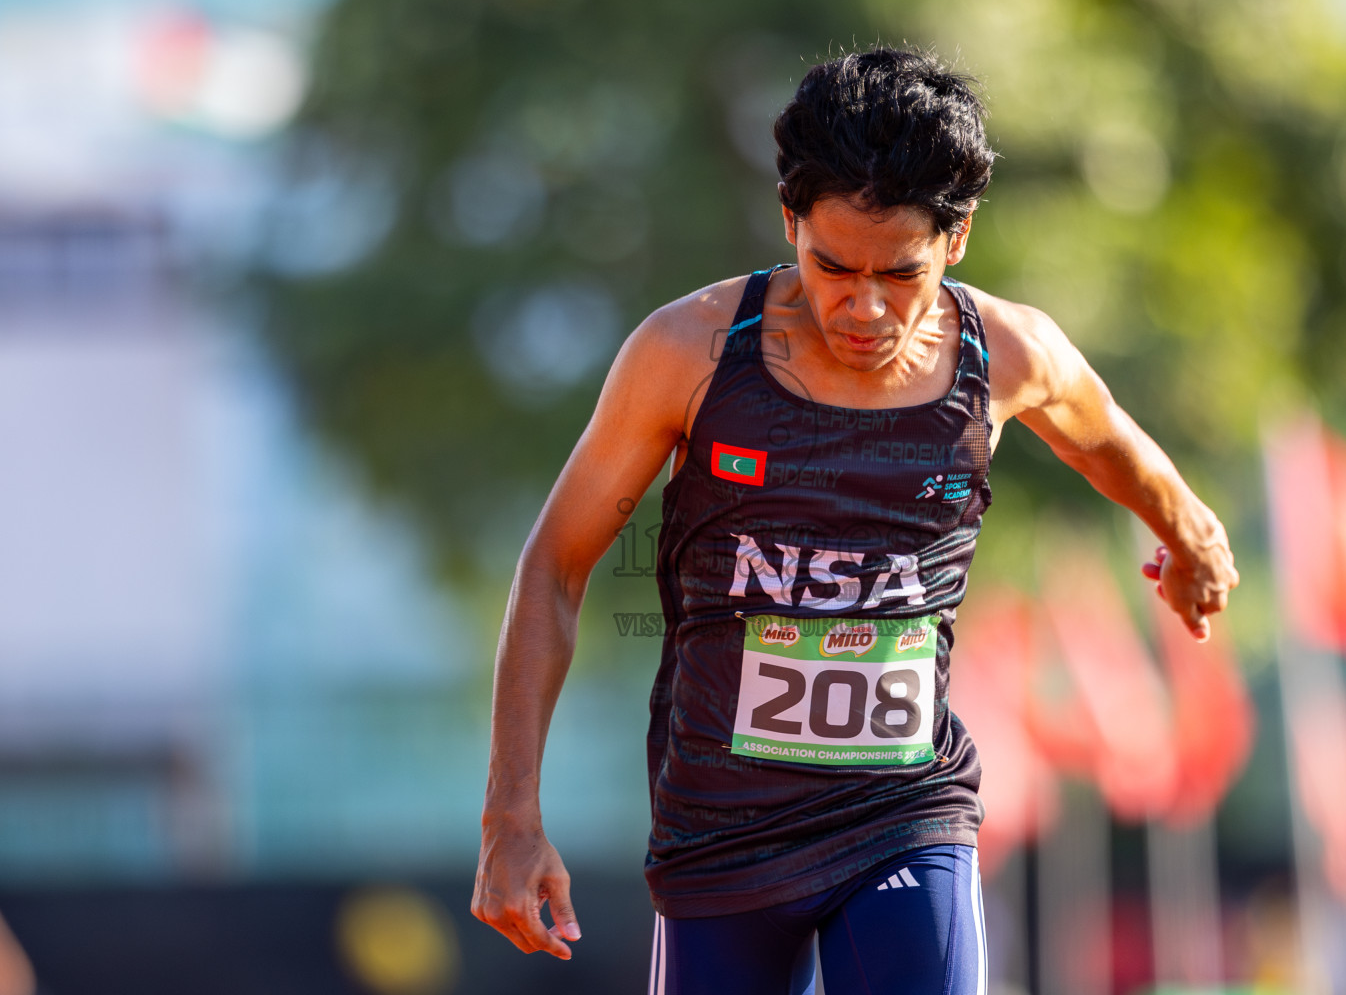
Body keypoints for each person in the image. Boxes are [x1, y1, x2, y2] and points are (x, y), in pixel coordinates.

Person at [471, 48, 1239, 994]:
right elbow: (554, 565)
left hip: (904, 812)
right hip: (722, 829)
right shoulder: (691, 353)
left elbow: (1106, 442)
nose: (864, 307)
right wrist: (510, 817)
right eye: (831, 265)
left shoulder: (1009, 354)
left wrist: (1192, 535)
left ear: (955, 241)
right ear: (789, 221)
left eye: (900, 274)